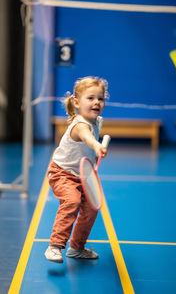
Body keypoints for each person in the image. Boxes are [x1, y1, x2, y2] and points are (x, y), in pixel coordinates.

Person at [45, 76, 109, 263]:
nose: (96, 102)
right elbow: (87, 138)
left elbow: (89, 147)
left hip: (83, 174)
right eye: (90, 98)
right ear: (76, 102)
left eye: (100, 98)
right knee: (72, 201)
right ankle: (54, 246)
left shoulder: (97, 121)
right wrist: (96, 146)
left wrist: (95, 154)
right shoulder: (80, 124)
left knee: (91, 209)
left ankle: (76, 247)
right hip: (62, 172)